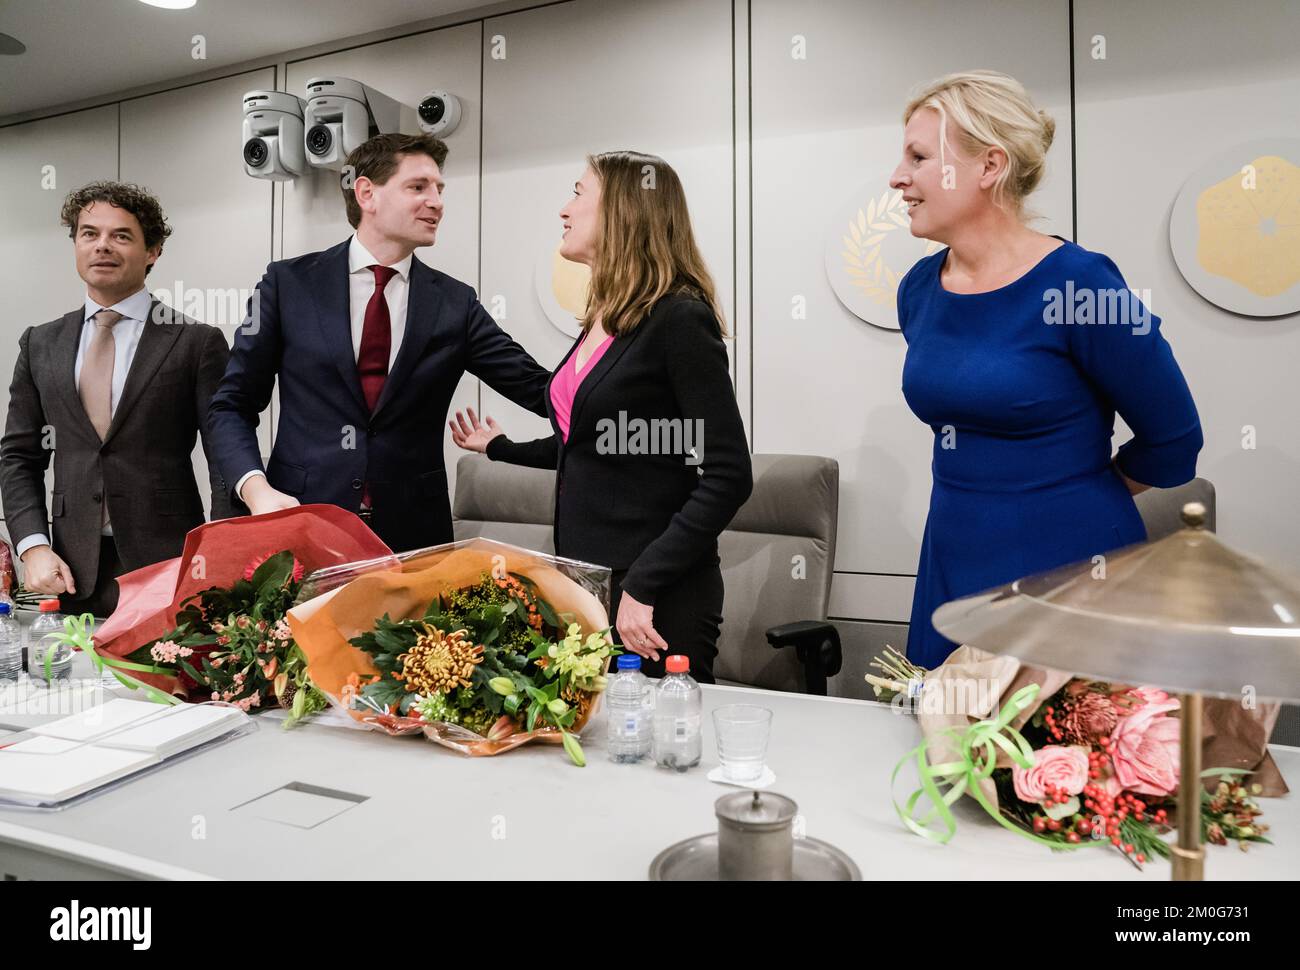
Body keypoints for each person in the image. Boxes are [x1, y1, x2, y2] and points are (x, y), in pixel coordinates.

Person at [888, 71, 1203, 668]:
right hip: (951, 557)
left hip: (1070, 567)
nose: (897, 177)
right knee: (947, 748)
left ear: (989, 166)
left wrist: (1071, 491)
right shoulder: (919, 290)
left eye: (919, 157)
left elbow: (1177, 440)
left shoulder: (1081, 283)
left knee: (1054, 754)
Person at [451, 151, 752, 682]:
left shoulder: (679, 318)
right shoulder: (605, 319)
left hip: (655, 597)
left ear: (623, 210)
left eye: (578, 193)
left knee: (658, 756)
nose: (564, 210)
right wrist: (500, 448)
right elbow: (595, 443)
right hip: (590, 583)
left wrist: (643, 584)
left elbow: (728, 476)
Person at [207, 132, 551, 553]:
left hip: (414, 538)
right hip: (302, 525)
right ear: (367, 193)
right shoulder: (288, 285)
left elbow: (543, 391)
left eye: (440, 189)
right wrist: (255, 489)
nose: (437, 201)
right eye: (418, 187)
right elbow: (232, 404)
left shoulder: (455, 303)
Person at [1, 181, 238, 617]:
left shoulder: (195, 342)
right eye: (89, 234)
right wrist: (33, 546)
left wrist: (218, 553)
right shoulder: (40, 343)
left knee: (167, 687)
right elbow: (19, 456)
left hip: (170, 568)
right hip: (70, 573)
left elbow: (225, 455)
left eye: (121, 235)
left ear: (153, 251)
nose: (102, 246)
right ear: (75, 244)